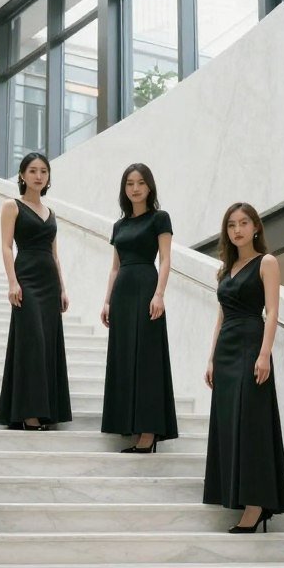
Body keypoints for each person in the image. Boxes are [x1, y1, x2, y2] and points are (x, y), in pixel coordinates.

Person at [202, 203, 284, 532]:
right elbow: (220, 315)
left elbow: (272, 312)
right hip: (226, 349)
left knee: (251, 423)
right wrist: (211, 357)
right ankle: (239, 496)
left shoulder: (266, 262)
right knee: (230, 425)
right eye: (231, 225)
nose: (237, 229)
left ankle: (257, 504)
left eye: (243, 223)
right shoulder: (225, 270)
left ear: (256, 227)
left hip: (252, 345)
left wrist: (265, 353)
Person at [100, 163, 178, 451]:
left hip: (147, 288)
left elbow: (166, 260)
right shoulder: (119, 226)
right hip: (122, 294)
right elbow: (114, 267)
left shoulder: (160, 218)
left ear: (149, 186)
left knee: (146, 359)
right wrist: (107, 300)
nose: (135, 188)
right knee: (124, 357)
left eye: (141, 182)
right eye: (130, 183)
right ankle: (130, 425)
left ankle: (148, 432)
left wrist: (159, 294)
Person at [0, 152, 72, 430]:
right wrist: (12, 282)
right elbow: (6, 246)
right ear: (22, 175)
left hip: (50, 283)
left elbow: (55, 254)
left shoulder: (51, 213)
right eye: (32, 170)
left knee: (47, 343)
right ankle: (28, 412)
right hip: (25, 277)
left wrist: (62, 288)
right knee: (32, 342)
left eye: (43, 171)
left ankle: (45, 411)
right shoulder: (12, 206)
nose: (38, 176)